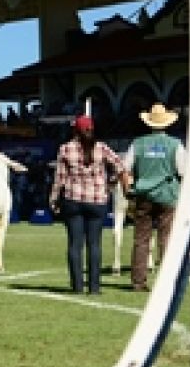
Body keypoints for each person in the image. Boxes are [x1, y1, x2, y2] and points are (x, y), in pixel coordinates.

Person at [49, 116, 130, 294]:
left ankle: (77, 286)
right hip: (97, 200)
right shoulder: (102, 147)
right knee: (94, 244)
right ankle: (94, 287)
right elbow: (121, 167)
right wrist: (111, 181)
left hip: (73, 199)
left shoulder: (65, 149)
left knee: (74, 244)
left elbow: (59, 179)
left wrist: (53, 200)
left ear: (75, 131)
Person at [124, 104, 186, 292]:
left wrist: (128, 190)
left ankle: (138, 281)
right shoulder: (175, 144)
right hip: (168, 195)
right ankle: (167, 281)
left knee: (141, 239)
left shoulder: (137, 144)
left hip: (143, 195)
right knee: (166, 239)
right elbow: (183, 170)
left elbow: (125, 169)